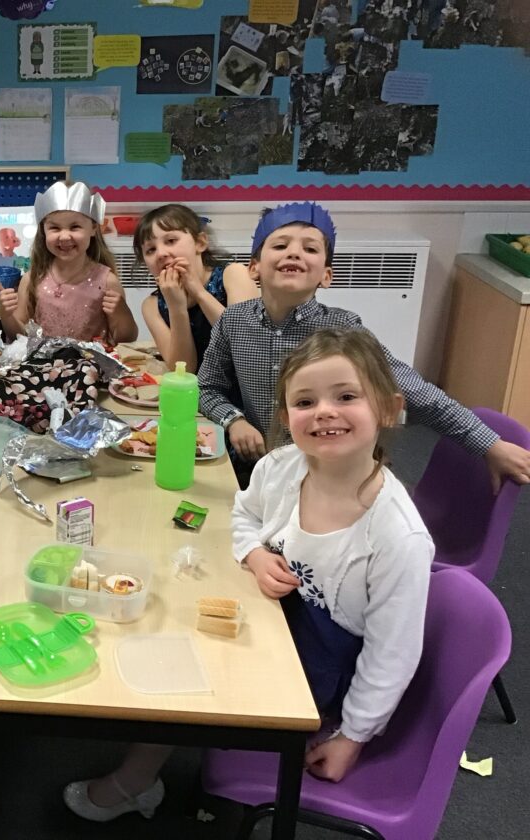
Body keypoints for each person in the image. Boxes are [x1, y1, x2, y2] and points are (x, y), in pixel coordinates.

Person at [63, 328, 433, 820]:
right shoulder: (282, 465)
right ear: (286, 417)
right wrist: (256, 554)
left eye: (346, 396)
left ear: (388, 408)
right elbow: (244, 514)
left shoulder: (397, 536)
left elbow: (393, 654)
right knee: (165, 617)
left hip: (318, 673)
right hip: (273, 620)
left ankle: (135, 781)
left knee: (185, 665)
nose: (324, 411)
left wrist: (353, 735)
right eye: (305, 401)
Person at [198, 201, 530, 490]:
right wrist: (234, 420)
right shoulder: (234, 321)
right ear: (254, 267)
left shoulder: (343, 331)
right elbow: (207, 387)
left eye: (310, 249)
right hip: (259, 471)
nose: (294, 252)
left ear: (326, 275)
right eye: (281, 245)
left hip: (332, 475)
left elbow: (418, 392)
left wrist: (489, 445)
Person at [0, 180, 138, 344]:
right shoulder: (32, 280)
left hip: (90, 361)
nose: (64, 236)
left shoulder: (107, 282)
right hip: (42, 361)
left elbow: (127, 338)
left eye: (75, 227)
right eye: (55, 228)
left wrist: (122, 312)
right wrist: (7, 316)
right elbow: (19, 337)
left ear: (93, 228)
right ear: (43, 230)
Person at [134, 203, 257, 372]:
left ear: (200, 242)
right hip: (194, 386)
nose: (161, 253)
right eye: (150, 250)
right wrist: (177, 308)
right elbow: (184, 370)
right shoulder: (151, 305)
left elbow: (248, 344)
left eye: (171, 241)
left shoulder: (234, 274)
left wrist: (199, 292)